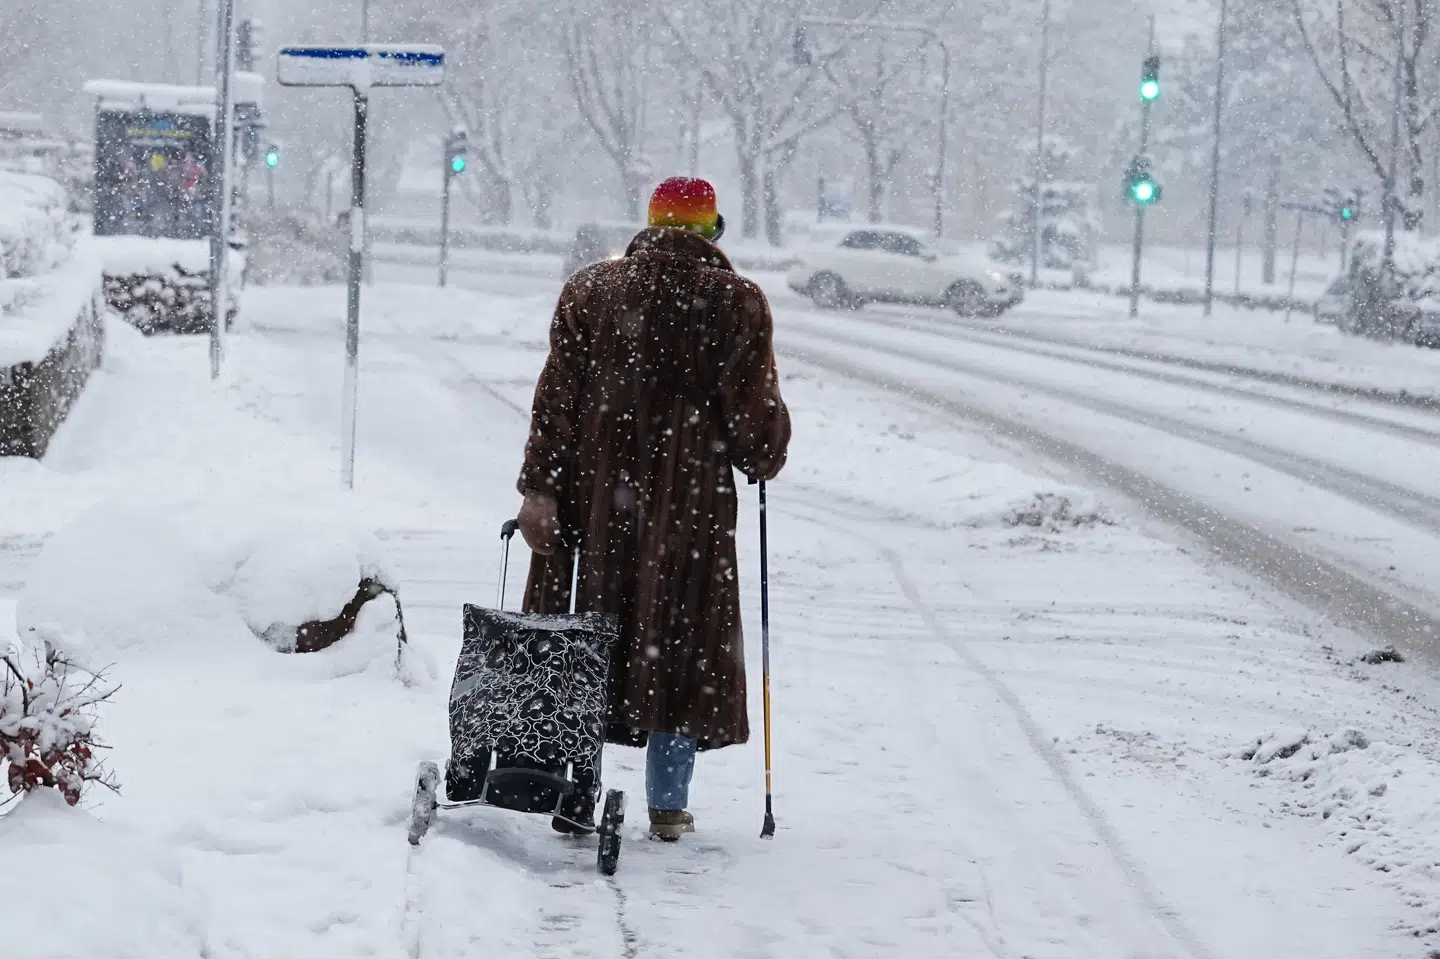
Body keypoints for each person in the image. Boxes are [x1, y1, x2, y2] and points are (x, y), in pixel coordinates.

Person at [516, 176, 791, 842]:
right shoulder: (736, 304)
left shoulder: (590, 290)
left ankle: (575, 789)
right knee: (682, 642)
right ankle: (668, 803)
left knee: (588, 633)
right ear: (710, 233)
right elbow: (756, 432)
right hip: (689, 511)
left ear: (648, 226)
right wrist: (765, 448)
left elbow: (556, 401)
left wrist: (539, 489)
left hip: (594, 504)